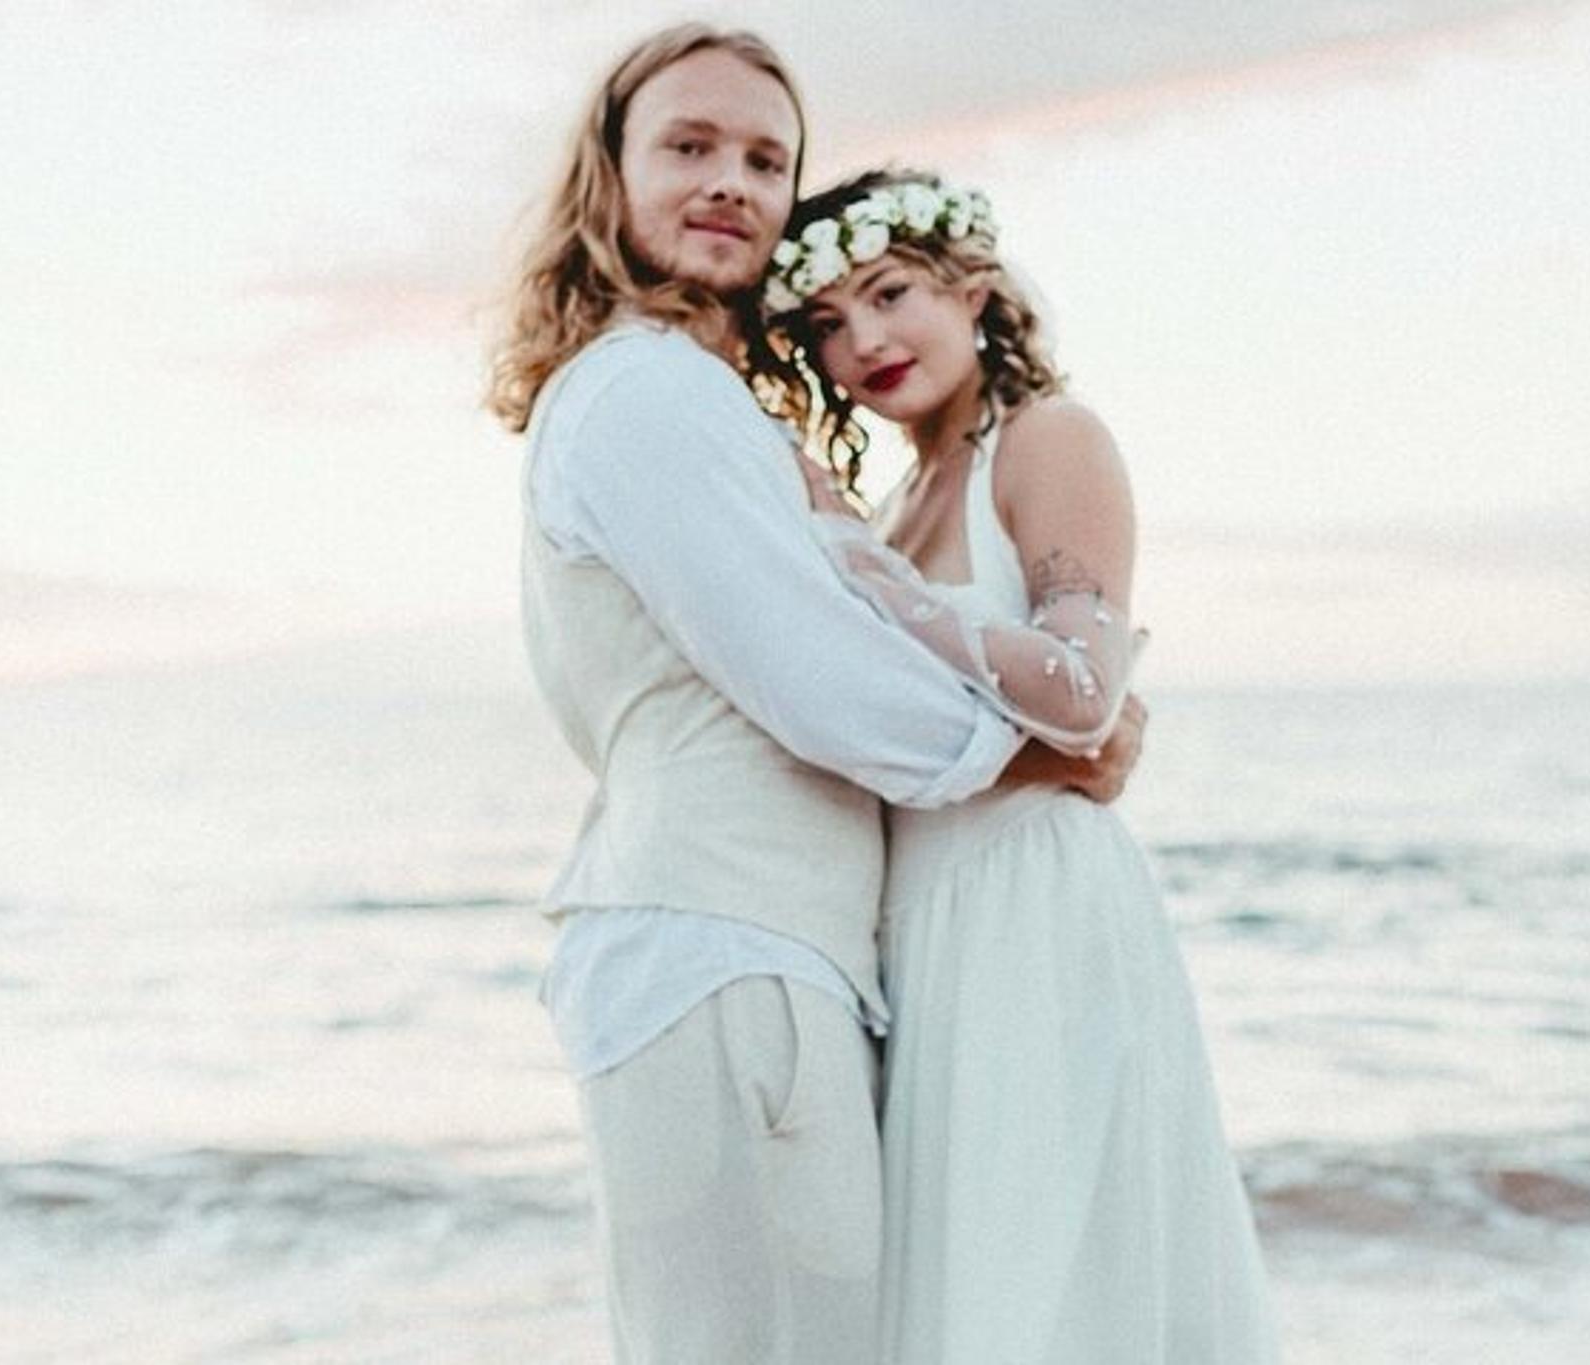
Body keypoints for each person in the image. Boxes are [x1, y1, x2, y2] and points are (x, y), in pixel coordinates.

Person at [484, 27, 1142, 1365]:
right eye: (689, 146)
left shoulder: (670, 395)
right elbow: (819, 682)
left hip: (747, 948)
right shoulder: (651, 395)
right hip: (734, 951)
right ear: (608, 177)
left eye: (765, 158)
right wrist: (1049, 762)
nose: (731, 180)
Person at [760, 168, 1281, 1364]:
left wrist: (855, 563)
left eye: (888, 293)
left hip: (1037, 919)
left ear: (972, 287)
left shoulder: (1046, 440)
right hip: (921, 931)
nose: (864, 340)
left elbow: (1083, 696)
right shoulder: (891, 505)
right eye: (826, 325)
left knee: (1052, 1281)